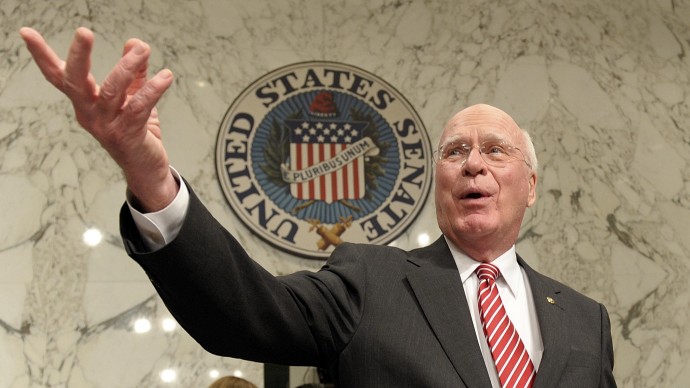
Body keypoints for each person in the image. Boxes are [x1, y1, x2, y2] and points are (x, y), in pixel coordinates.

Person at [20, 26, 616, 388]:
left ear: (531, 185)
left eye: (496, 150)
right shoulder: (371, 281)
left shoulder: (584, 319)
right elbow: (242, 311)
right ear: (437, 182)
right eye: (455, 151)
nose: (473, 163)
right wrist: (148, 175)